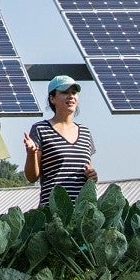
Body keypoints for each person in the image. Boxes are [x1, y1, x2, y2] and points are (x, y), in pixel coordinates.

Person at [22, 74, 97, 206]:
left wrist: (92, 176)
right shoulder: (40, 129)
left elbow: (88, 169)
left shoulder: (85, 132)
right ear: (52, 98)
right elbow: (32, 177)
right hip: (53, 210)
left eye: (74, 92)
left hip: (82, 210)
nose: (71, 96)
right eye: (65, 92)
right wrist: (31, 153)